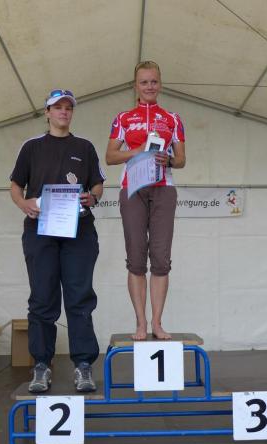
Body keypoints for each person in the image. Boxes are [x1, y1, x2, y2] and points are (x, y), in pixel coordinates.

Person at [10, 89, 104, 393]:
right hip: (40, 231)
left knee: (79, 297)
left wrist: (93, 197)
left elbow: (98, 184)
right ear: (47, 112)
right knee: (42, 298)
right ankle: (41, 365)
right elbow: (15, 185)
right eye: (58, 107)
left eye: (68, 107)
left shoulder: (85, 146)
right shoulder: (31, 147)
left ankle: (83, 365)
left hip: (79, 231)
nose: (64, 111)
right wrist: (23, 204)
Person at [105, 60, 186, 341]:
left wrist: (169, 160)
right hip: (133, 188)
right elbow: (110, 156)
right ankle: (140, 323)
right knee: (136, 258)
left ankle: (157, 323)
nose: (149, 86)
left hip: (164, 188)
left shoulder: (173, 119)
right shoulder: (124, 118)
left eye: (154, 81)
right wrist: (137, 150)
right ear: (135, 86)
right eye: (144, 82)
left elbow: (182, 159)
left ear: (160, 84)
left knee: (161, 259)